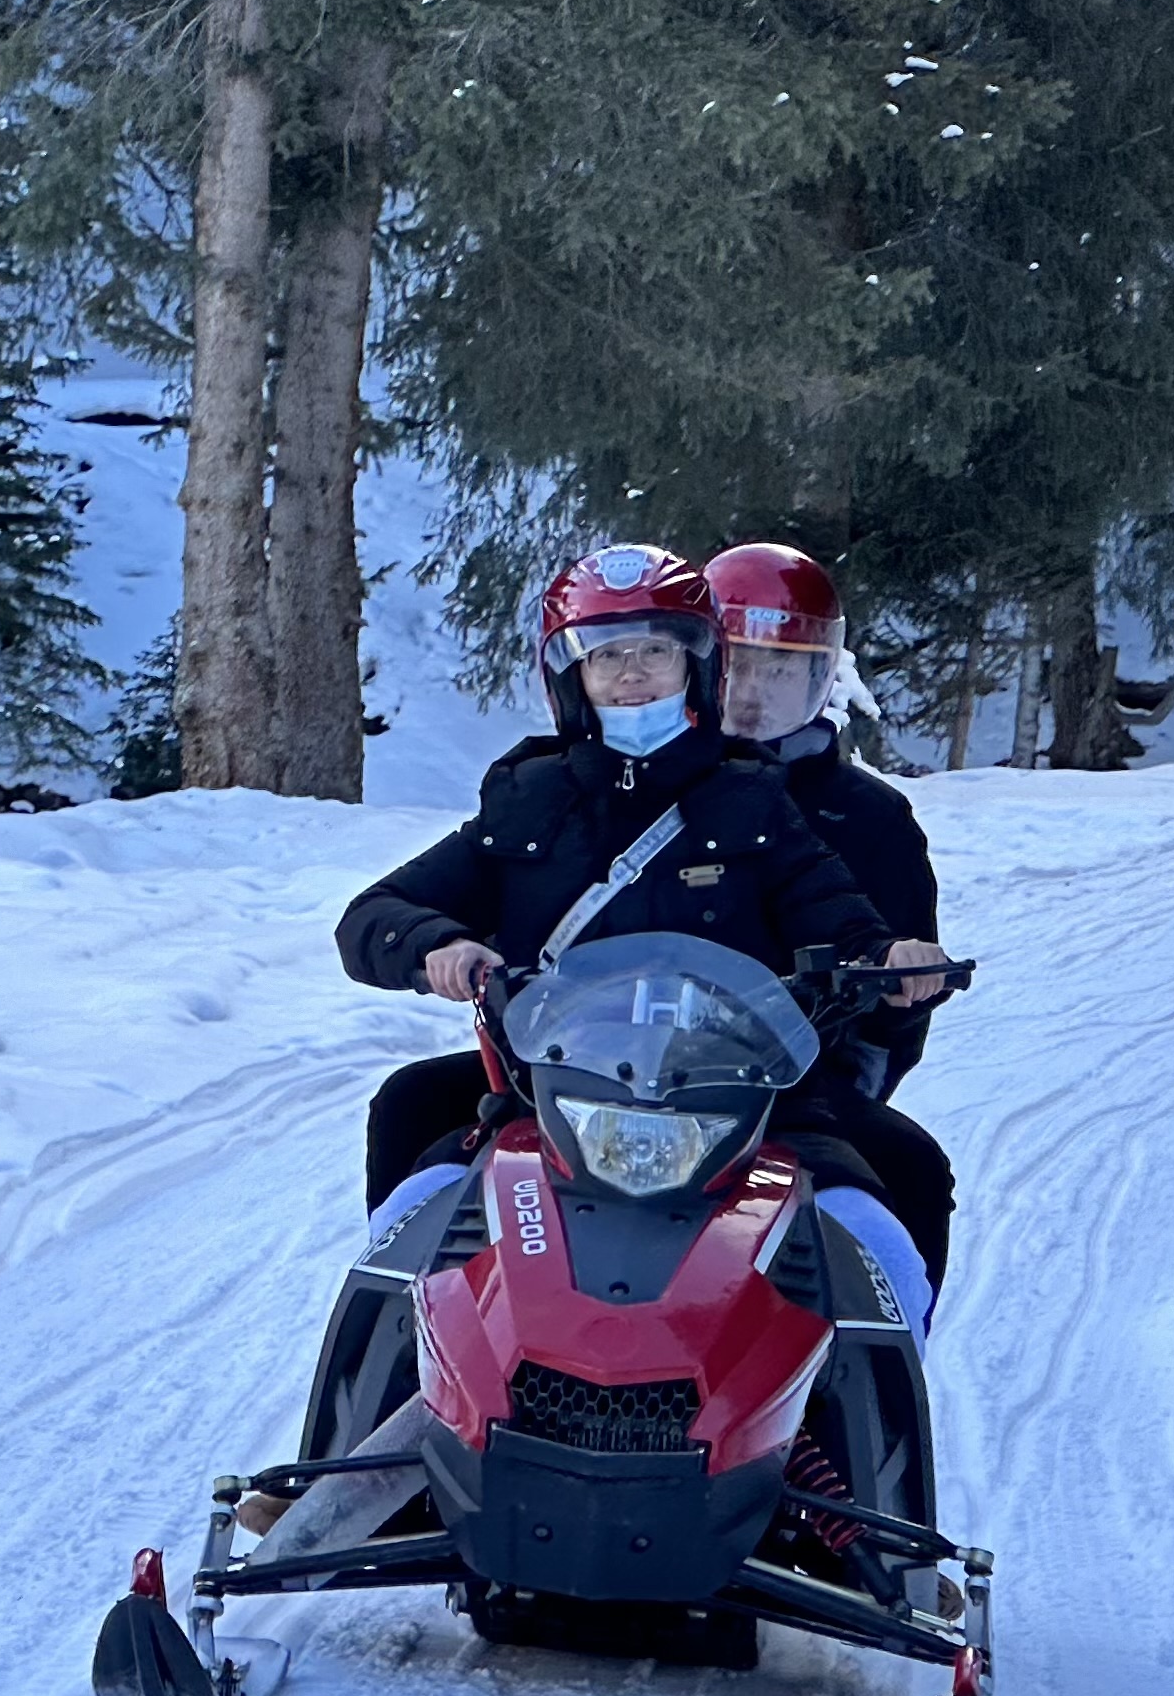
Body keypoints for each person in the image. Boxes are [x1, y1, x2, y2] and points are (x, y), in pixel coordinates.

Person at [341, 544, 949, 1321]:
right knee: (413, 1206)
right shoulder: (528, 800)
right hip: (553, 1095)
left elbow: (837, 914)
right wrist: (437, 943)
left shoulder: (754, 802)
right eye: (608, 656)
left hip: (742, 1099)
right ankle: (374, 1393)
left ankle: (880, 1411)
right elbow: (373, 914)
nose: (632, 674)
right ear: (572, 678)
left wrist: (889, 959)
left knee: (879, 1222)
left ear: (696, 666)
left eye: (655, 652)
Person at [707, 541, 956, 1293]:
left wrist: (854, 1053)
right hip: (621, 1062)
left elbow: (900, 1008)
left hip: (794, 1079)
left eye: (779, 669)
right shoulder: (642, 786)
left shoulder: (868, 818)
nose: (753, 691)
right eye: (735, 665)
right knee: (412, 1107)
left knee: (909, 1171)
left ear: (822, 675)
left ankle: (887, 1387)